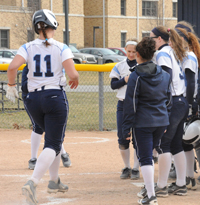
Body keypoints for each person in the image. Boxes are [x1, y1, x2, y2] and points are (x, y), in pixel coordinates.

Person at [6, 9, 79, 205]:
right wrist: (76, 77)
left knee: (50, 139)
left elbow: (12, 67)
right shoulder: (61, 47)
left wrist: (11, 85)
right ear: (53, 24)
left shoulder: (28, 46)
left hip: (32, 99)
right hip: (54, 97)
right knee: (54, 144)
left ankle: (54, 181)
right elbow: (72, 73)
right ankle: (33, 182)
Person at [122, 36, 172, 205]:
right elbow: (168, 99)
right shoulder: (164, 74)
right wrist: (164, 119)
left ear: (138, 55)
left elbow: (131, 103)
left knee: (145, 157)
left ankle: (151, 195)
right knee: (150, 154)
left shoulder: (136, 75)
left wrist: (126, 127)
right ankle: (149, 192)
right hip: (161, 120)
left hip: (143, 122)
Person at [148, 26, 189, 197]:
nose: (150, 41)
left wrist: (162, 103)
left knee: (163, 144)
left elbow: (165, 78)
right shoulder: (172, 51)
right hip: (182, 101)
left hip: (172, 102)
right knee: (176, 144)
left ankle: (162, 186)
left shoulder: (163, 53)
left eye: (151, 38)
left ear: (159, 39)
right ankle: (180, 184)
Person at [21, 65, 71, 170]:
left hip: (49, 98)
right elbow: (24, 86)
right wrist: (38, 82)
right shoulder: (29, 67)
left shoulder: (52, 65)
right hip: (31, 98)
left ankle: (63, 153)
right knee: (38, 127)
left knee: (52, 129)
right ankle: (33, 158)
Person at [173, 21, 200, 190]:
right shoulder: (188, 55)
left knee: (187, 141)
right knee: (189, 142)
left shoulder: (189, 56)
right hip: (193, 101)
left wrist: (191, 105)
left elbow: (191, 83)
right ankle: (189, 176)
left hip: (192, 101)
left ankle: (189, 175)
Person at [109, 38, 140, 180]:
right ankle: (126, 166)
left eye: (134, 51)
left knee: (139, 138)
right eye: (129, 51)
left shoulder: (142, 65)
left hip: (139, 105)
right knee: (122, 137)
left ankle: (135, 168)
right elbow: (113, 85)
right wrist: (125, 80)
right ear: (125, 50)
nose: (131, 54)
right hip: (123, 104)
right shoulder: (120, 66)